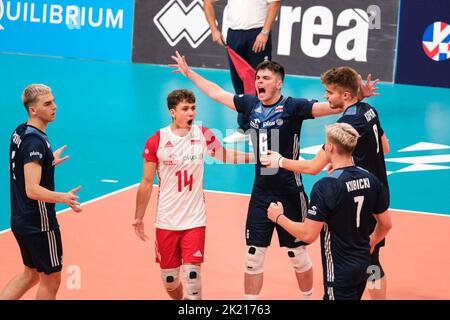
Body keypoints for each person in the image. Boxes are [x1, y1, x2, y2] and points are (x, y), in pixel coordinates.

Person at [169, 52, 378, 299]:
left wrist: (356, 96)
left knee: (298, 256)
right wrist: (189, 72)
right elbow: (216, 93)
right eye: (258, 77)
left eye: (266, 78)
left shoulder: (293, 107)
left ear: (278, 83)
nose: (259, 81)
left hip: (290, 190)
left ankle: (307, 297)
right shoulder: (250, 105)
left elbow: (331, 107)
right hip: (261, 192)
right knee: (252, 258)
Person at [261, 66, 390, 299]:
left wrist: (279, 160)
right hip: (376, 190)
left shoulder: (347, 124)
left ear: (346, 95)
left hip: (354, 198)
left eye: (329, 92)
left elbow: (312, 168)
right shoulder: (369, 110)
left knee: (347, 262)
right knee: (372, 261)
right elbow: (385, 146)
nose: (325, 97)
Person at [133, 89, 253, 300]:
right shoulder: (156, 140)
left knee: (192, 275)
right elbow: (145, 183)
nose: (191, 113)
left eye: (193, 108)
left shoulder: (203, 134)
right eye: (185, 109)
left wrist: (256, 157)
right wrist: (138, 217)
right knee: (169, 281)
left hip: (194, 219)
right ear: (173, 112)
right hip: (167, 220)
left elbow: (224, 155)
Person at [1, 84, 82, 300]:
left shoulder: (20, 131)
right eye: (48, 104)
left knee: (30, 274)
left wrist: (47, 162)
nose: (55, 107)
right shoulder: (35, 141)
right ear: (33, 110)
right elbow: (32, 189)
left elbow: (15, 166)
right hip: (40, 222)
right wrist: (63, 197)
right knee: (51, 280)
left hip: (20, 218)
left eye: (53, 101)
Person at [204, 0, 281, 143]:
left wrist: (264, 32)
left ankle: (262, 130)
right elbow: (208, 2)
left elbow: (275, 3)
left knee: (262, 83)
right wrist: (214, 29)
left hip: (257, 33)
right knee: (239, 83)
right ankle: (245, 128)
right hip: (233, 35)